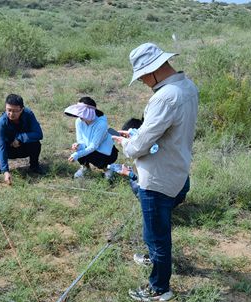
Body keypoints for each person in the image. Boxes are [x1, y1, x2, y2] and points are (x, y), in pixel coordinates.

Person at [111, 42, 198, 301]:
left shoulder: (164, 97)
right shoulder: (187, 87)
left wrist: (127, 141)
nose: (142, 82)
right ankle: (153, 257)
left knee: (159, 235)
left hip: (157, 178)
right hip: (177, 167)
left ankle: (160, 288)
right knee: (157, 228)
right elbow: (168, 132)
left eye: (142, 77)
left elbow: (137, 148)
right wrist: (139, 135)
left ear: (153, 71)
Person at [0, 93, 44, 185]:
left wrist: (20, 138)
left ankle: (34, 166)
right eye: (9, 110)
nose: (11, 114)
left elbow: (38, 134)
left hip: (25, 148)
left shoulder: (29, 114)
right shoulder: (2, 122)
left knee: (36, 143)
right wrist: (5, 170)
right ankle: (1, 169)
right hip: (9, 150)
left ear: (22, 109)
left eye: (15, 111)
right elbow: (0, 145)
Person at [64, 96, 119, 180]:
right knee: (79, 148)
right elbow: (80, 140)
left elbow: (94, 146)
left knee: (88, 153)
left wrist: (77, 154)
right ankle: (85, 168)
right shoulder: (79, 121)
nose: (80, 116)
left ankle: (107, 169)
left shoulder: (101, 124)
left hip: (106, 154)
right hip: (90, 149)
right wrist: (78, 145)